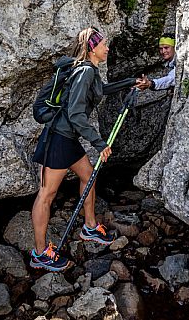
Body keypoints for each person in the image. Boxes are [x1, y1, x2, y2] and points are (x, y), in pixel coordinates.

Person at [30, 27, 143, 272]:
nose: (108, 48)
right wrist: (99, 143)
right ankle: (39, 253)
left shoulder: (91, 71)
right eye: (104, 44)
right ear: (93, 48)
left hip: (67, 139)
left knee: (88, 176)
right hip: (58, 139)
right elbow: (75, 114)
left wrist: (130, 82)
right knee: (47, 194)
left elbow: (101, 90)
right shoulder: (84, 72)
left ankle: (89, 227)